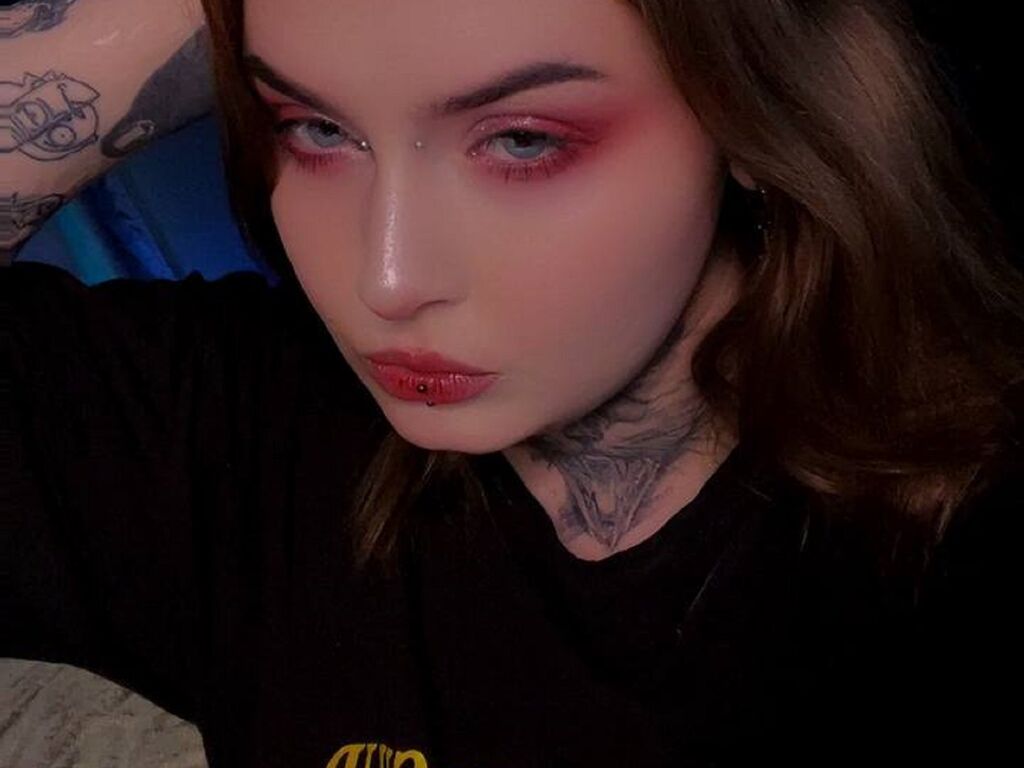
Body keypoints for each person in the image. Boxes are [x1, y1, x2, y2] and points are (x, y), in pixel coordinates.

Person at [3, 0, 1022, 766]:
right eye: (315, 128)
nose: (385, 279)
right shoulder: (225, 432)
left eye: (522, 140)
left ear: (759, 118)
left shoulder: (951, 541)